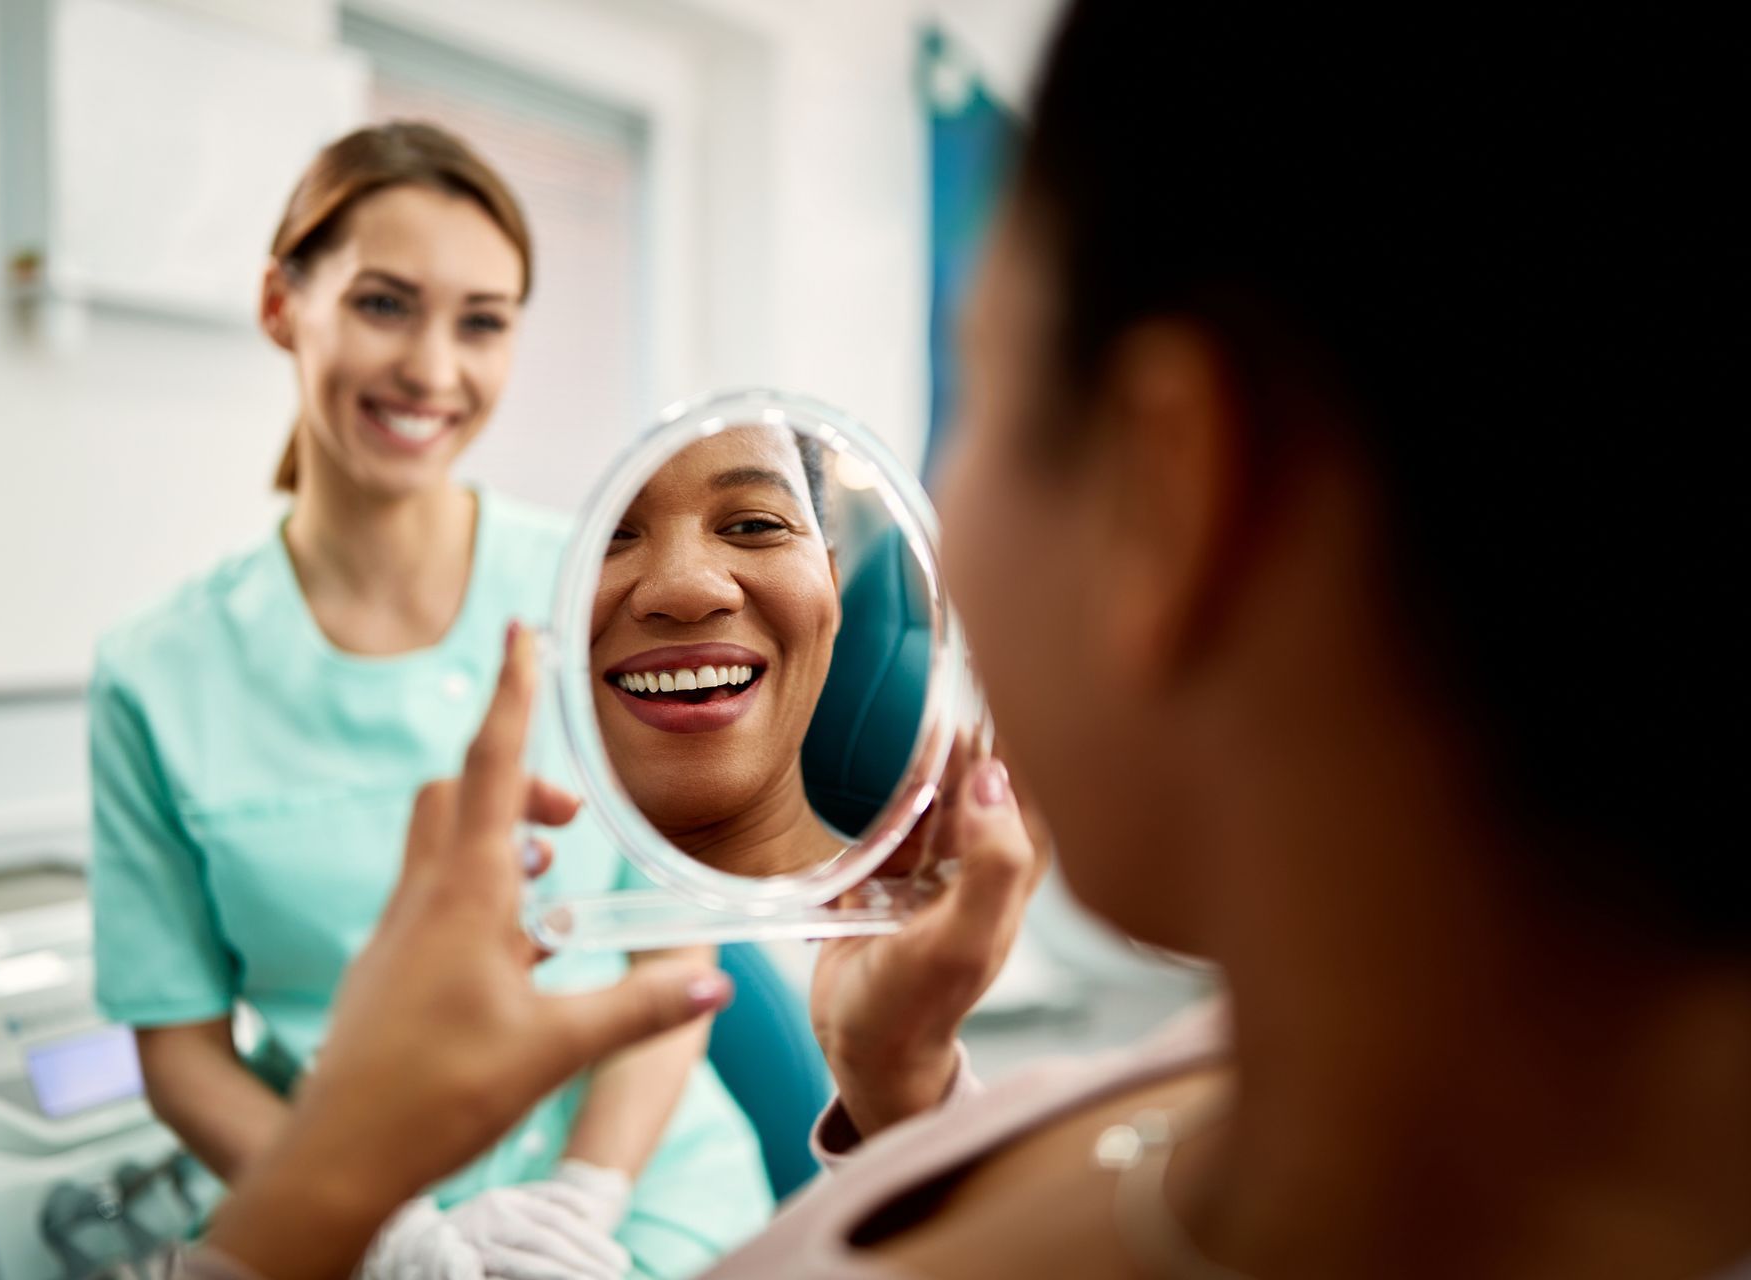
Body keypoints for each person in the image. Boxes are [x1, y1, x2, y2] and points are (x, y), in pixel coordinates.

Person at [170, 6, 1750, 1278]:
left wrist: (316, 1195)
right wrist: (907, 1080)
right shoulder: (1209, 1116)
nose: (682, 591)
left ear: (1170, 493)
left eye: (973, 386)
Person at [88, 122, 771, 1280]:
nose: (433, 370)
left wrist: (584, 1203)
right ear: (280, 305)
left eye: (483, 322)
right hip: (337, 1213)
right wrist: (380, 1226)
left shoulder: (604, 593)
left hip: (640, 1190)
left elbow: (673, 959)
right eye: (385, 304)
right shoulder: (156, 676)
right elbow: (183, 1054)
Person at [592, 426, 844, 876]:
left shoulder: (957, 916)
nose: (686, 590)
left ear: (832, 586)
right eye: (607, 533)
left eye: (755, 525)